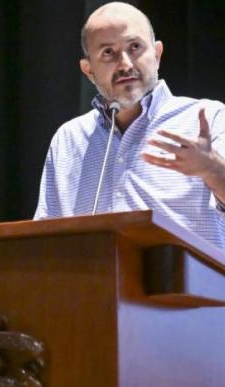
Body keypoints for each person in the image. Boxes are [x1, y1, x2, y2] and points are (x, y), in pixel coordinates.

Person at [33, 2, 225, 249]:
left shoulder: (208, 118)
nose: (124, 64)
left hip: (190, 287)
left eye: (135, 47)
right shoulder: (69, 140)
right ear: (88, 70)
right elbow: (45, 239)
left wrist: (211, 169)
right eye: (108, 53)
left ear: (156, 55)